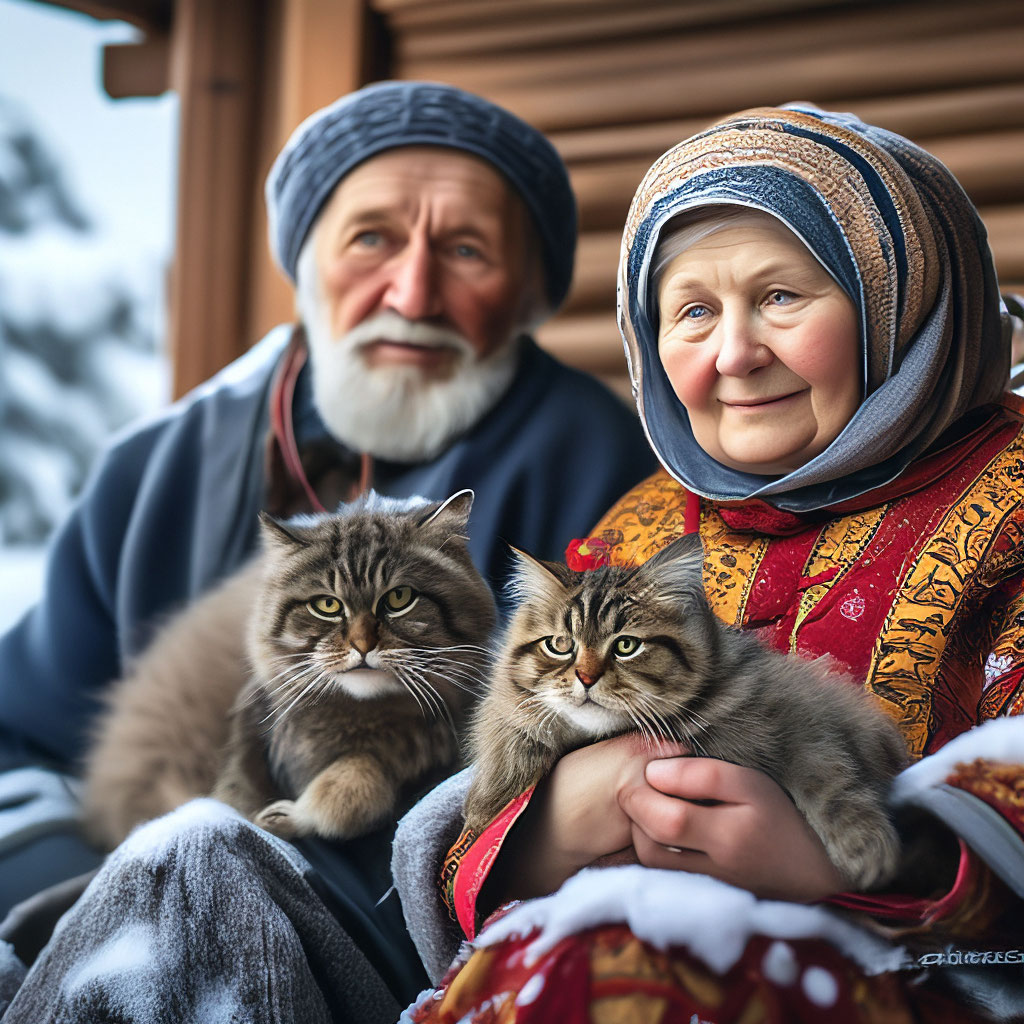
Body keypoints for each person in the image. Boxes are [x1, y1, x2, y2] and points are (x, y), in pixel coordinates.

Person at [0, 81, 657, 1018]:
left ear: (527, 294)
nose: (413, 291)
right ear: (304, 261)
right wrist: (88, 908)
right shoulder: (159, 467)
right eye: (371, 239)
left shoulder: (603, 463)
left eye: (465, 250)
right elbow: (19, 735)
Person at [393, 105, 1024, 1022]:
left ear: (902, 303)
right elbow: (478, 808)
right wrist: (543, 831)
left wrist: (841, 866)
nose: (735, 354)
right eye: (692, 311)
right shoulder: (639, 528)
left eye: (782, 297)